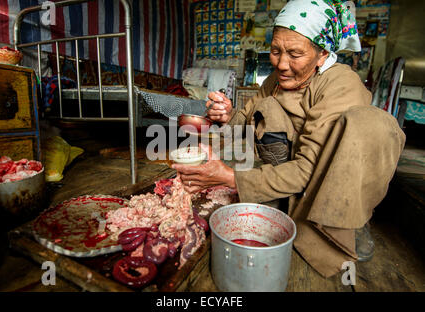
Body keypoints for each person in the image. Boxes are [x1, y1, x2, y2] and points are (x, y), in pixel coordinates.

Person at [172, 0, 405, 278]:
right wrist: (227, 114)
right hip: (286, 173)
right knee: (267, 108)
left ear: (322, 54)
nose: (282, 64)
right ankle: (282, 199)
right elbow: (243, 126)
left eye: (295, 54)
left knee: (370, 124)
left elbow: (307, 170)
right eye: (275, 51)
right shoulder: (275, 80)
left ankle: (350, 219)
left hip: (322, 179)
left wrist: (229, 177)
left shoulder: (341, 85)